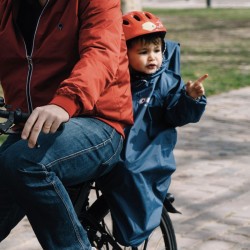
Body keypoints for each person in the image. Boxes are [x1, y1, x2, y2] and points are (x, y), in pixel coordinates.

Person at [0, 0, 133, 249]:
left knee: (24, 162)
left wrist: (65, 102)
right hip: (32, 126)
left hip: (98, 121)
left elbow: (101, 53)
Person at [99, 11, 208, 247]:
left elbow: (176, 114)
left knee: (129, 173)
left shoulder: (166, 82)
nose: (153, 58)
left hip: (149, 152)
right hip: (116, 145)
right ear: (124, 54)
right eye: (143, 52)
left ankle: (132, 234)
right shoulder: (119, 81)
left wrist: (190, 98)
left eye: (157, 51)